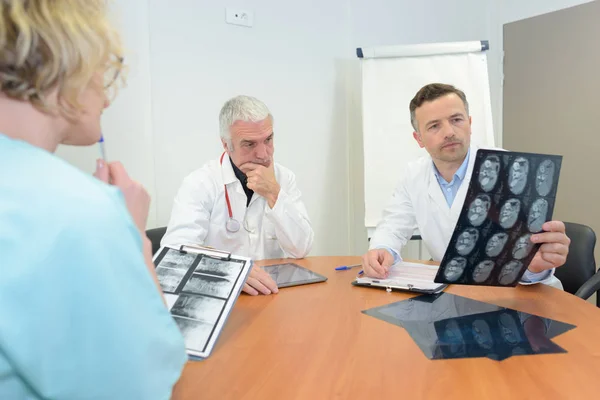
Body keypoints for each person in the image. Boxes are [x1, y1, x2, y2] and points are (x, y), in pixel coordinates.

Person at [0, 1, 186, 398]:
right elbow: (144, 385)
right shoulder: (76, 210)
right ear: (66, 66)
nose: (107, 95)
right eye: (105, 67)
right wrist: (133, 237)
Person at [362, 83, 570, 288]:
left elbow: (532, 258)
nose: (449, 132)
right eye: (434, 126)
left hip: (523, 296)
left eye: (456, 120)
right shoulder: (413, 175)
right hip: (454, 295)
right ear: (419, 139)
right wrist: (382, 249)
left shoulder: (511, 169)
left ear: (469, 123)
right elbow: (393, 226)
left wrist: (535, 267)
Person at [161, 95, 314, 296]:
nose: (263, 154)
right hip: (220, 295)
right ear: (226, 145)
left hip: (271, 294)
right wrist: (232, 269)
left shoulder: (284, 178)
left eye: (268, 139)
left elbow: (301, 249)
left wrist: (274, 193)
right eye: (249, 144)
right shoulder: (200, 183)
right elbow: (174, 253)